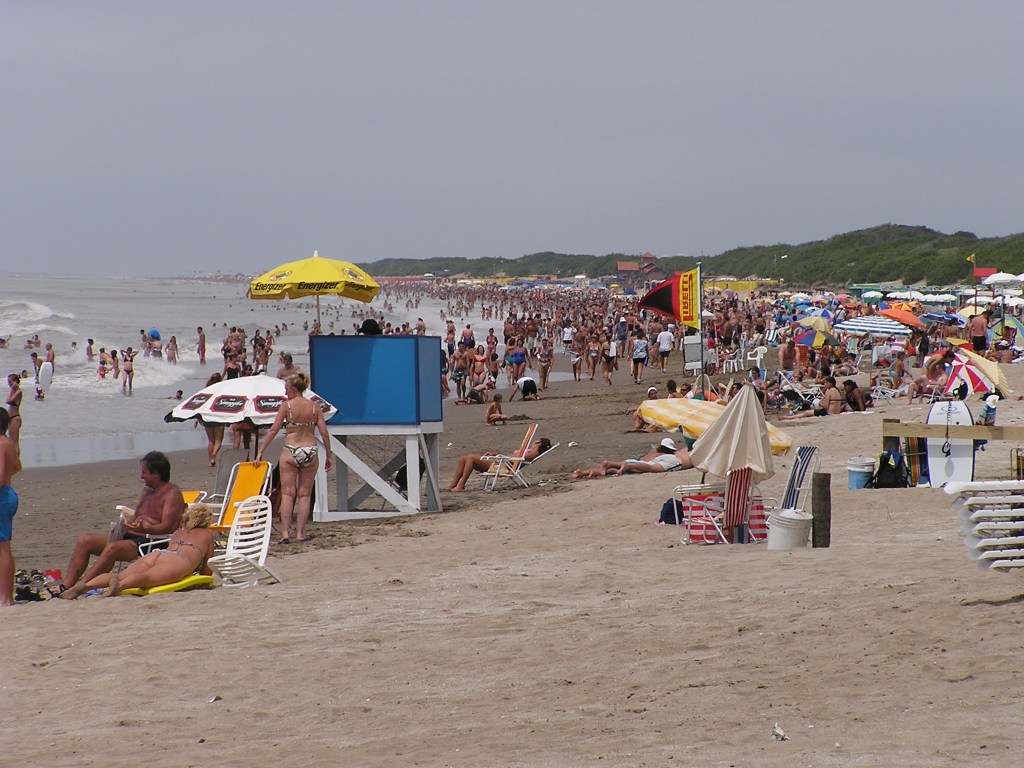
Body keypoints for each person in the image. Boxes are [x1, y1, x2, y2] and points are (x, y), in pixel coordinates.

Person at [60, 451, 185, 592]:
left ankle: (82, 586)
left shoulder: (171, 493)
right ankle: (66, 586)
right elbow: (139, 516)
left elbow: (167, 527)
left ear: (155, 473)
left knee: (112, 548)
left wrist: (144, 529)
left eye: (144, 472)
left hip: (150, 542)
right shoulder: (147, 491)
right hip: (132, 535)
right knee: (85, 541)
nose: (141, 476)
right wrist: (127, 526)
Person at [60, 505, 216, 599]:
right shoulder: (208, 534)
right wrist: (201, 579)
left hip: (158, 553)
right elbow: (207, 569)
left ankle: (85, 586)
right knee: (146, 578)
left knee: (119, 574)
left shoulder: (178, 533)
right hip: (178, 561)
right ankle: (119, 587)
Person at [255, 372, 333, 544]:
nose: (285, 393)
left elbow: (274, 430)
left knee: (288, 493)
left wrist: (261, 450)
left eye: (286, 389)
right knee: (304, 494)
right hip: (310, 449)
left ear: (292, 388)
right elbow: (324, 433)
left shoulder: (287, 406)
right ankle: (300, 533)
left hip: (291, 448)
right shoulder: (314, 407)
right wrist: (328, 454)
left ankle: (285, 533)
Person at [447, 437, 551, 492]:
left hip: (502, 467)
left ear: (538, 441)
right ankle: (453, 485)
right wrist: (497, 455)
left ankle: (461, 485)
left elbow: (517, 459)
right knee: (463, 459)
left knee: (470, 458)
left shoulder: (534, 452)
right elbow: (515, 458)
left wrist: (498, 457)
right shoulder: (531, 451)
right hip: (502, 463)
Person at [571, 438, 693, 479]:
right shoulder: (677, 455)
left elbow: (645, 462)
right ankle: (626, 466)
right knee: (653, 469)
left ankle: (584, 473)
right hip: (675, 462)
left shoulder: (656, 452)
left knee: (620, 469)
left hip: (639, 462)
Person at [0, 409, 21, 606]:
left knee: (3, 548)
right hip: (7, 494)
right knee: (3, 547)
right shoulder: (8, 443)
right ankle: (6, 595)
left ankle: (5, 597)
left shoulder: (0, 443)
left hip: (2, 496)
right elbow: (17, 466)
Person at [779, 376, 844, 419]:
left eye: (826, 383)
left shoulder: (828, 392)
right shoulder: (837, 390)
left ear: (831, 383)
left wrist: (820, 403)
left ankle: (788, 417)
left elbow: (826, 406)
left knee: (806, 412)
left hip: (829, 413)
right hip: (837, 412)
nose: (825, 384)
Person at [200, 372, 225, 466]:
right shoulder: (222, 390)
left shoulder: (206, 390)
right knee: (218, 440)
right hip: (218, 416)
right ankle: (214, 454)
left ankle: (211, 460)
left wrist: (197, 418)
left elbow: (201, 404)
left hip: (207, 416)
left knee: (211, 440)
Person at [6, 373, 22, 453]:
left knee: (15, 441)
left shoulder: (18, 391)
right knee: (11, 440)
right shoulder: (14, 391)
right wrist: (12, 389)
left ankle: (16, 461)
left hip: (15, 417)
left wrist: (12, 389)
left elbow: (8, 401)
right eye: (8, 382)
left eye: (10, 382)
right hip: (10, 418)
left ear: (15, 381)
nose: (9, 384)